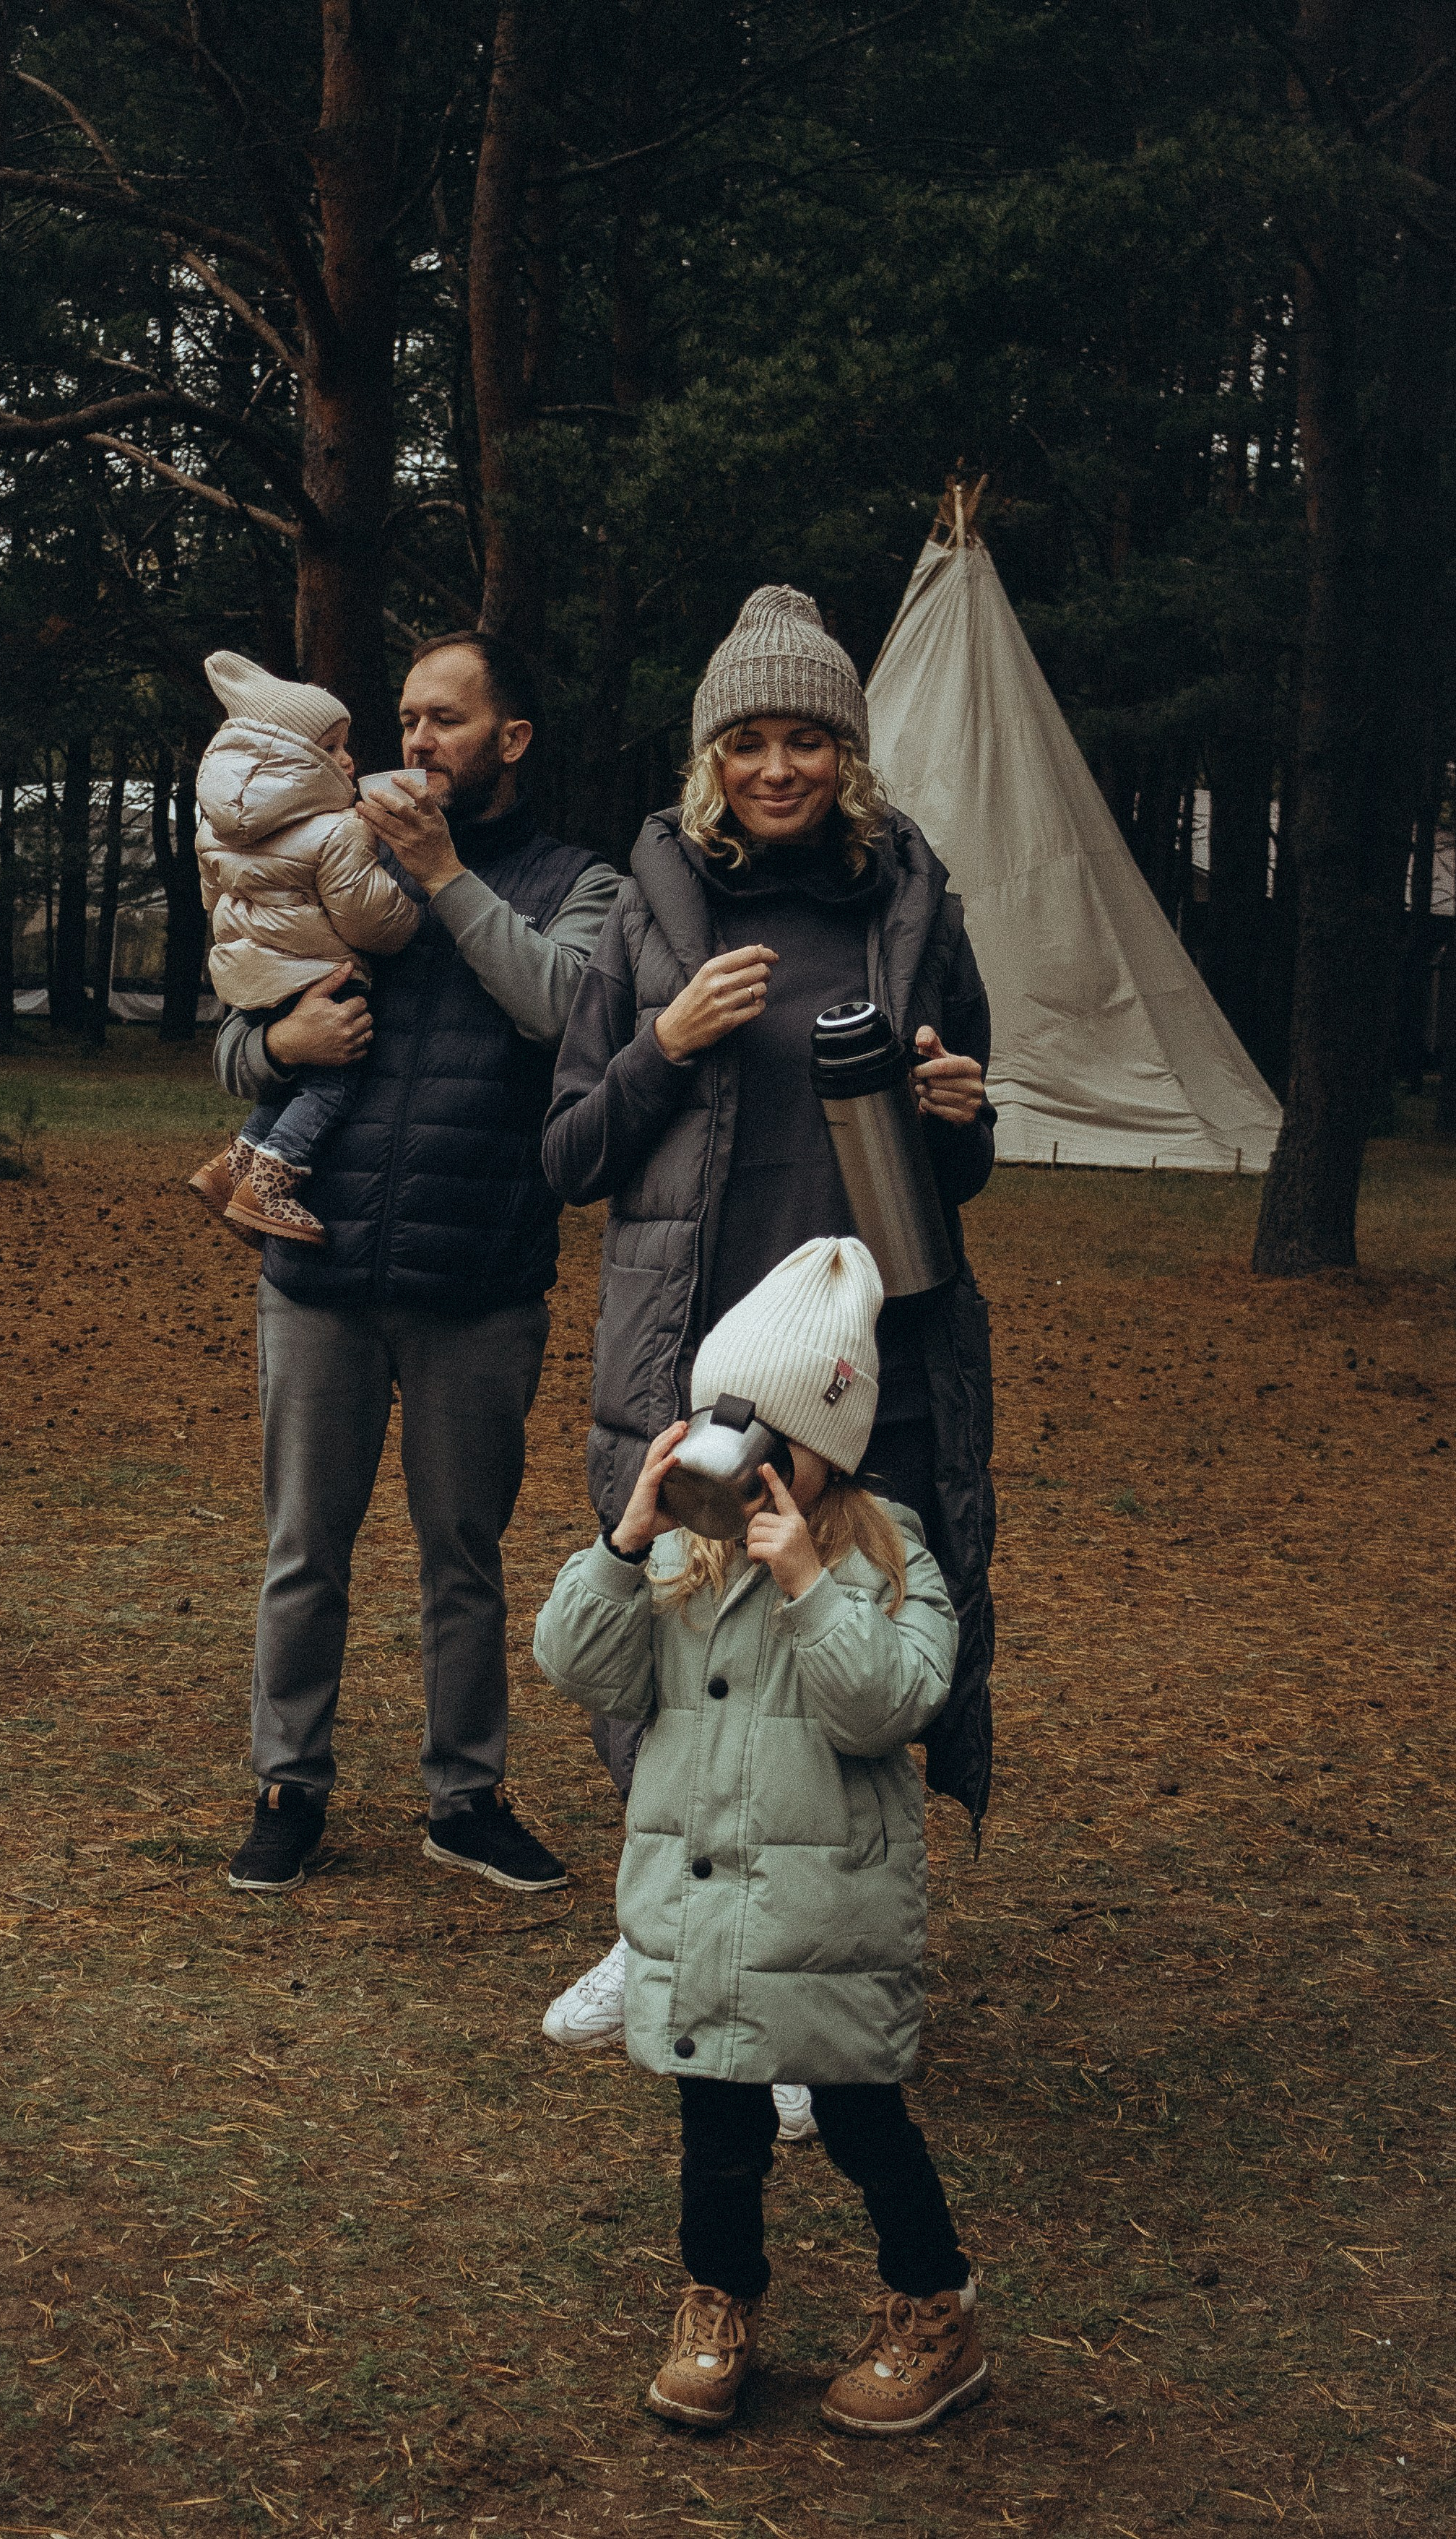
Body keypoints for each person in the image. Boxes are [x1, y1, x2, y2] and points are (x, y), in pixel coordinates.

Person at [537, 584, 997, 2093]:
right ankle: (660, 1936)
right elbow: (571, 1153)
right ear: (708, 757)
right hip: (693, 1344)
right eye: (749, 740)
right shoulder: (652, 914)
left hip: (870, 1359)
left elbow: (967, 1154)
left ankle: (800, 1988)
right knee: (679, 1641)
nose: (777, 767)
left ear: (848, 757)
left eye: (807, 737)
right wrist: (664, 1046)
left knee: (826, 1633)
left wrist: (962, 1112)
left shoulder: (910, 906)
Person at [533, 1239, 989, 2436]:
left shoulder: (885, 1557)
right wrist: (624, 1543)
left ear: (818, 1446)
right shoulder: (681, 1552)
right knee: (716, 2131)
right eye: (711, 1423)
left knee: (860, 2122)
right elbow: (575, 1666)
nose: (727, 1453)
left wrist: (806, 1588)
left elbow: (890, 1704)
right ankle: (716, 2301)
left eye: (754, 1430)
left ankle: (933, 2310)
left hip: (825, 1924)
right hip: (704, 1906)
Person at [214, 631, 621, 1898]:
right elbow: (231, 1056)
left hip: (479, 1281)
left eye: (445, 719)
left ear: (510, 740)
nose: (414, 742)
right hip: (317, 1276)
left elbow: (566, 1012)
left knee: (464, 1556)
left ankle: (466, 1797)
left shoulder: (578, 881)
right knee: (303, 1548)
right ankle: (290, 1786)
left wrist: (444, 877)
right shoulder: (329, 863)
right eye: (403, 719)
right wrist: (285, 1039)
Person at [186, 652, 422, 1245]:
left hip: (251, 978)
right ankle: (272, 1184)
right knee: (334, 1082)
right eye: (333, 747)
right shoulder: (339, 828)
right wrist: (409, 913)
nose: (348, 760)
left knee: (300, 1078)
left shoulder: (212, 828)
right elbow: (370, 923)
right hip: (320, 971)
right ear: (295, 758)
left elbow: (213, 899)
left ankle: (234, 1165)